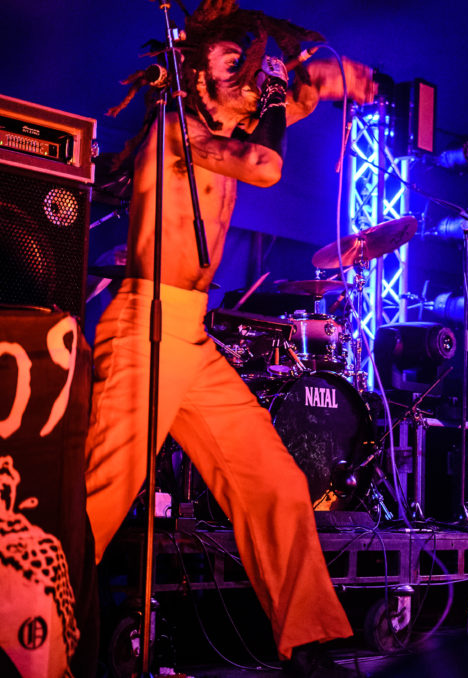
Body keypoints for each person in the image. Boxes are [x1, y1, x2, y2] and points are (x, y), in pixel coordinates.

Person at [85, 2, 376, 675]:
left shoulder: (236, 117)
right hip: (142, 327)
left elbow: (302, 94)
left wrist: (336, 78)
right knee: (99, 497)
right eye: (228, 60)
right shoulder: (177, 129)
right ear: (196, 71)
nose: (244, 70)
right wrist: (280, 92)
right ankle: (28, 629)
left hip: (191, 337)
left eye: (247, 61)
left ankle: (309, 644)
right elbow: (267, 164)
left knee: (274, 482)